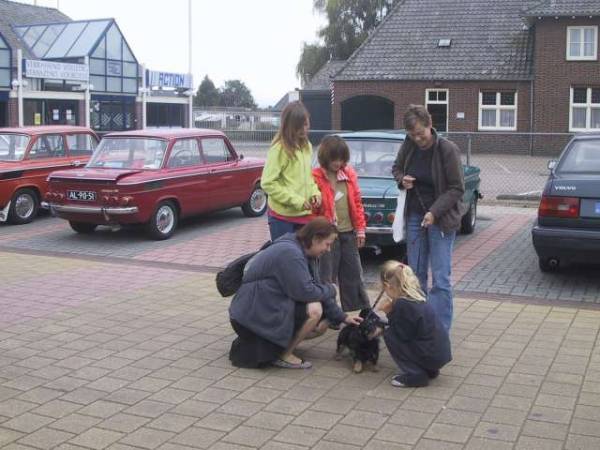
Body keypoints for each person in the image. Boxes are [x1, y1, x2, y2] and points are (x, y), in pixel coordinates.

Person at [228, 218, 362, 369]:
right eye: (327, 244)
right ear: (316, 239)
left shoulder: (302, 249)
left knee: (322, 319)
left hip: (259, 306)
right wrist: (331, 289)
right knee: (315, 311)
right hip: (250, 314)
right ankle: (284, 354)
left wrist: (343, 317)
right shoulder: (291, 253)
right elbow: (306, 292)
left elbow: (316, 290)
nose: (328, 249)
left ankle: (279, 344)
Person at [391, 105, 465, 332]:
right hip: (415, 216)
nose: (417, 139)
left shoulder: (447, 149)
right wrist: (402, 179)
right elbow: (396, 168)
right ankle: (419, 325)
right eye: (412, 135)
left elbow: (456, 188)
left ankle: (440, 331)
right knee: (416, 275)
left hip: (440, 218)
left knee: (441, 278)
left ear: (430, 125)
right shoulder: (409, 144)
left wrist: (434, 212)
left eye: (420, 134)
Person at [312, 135, 370, 312]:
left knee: (352, 273)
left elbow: (357, 203)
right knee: (326, 275)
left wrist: (360, 230)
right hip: (327, 235)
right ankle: (328, 311)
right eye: (333, 159)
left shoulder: (350, 174)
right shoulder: (315, 177)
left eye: (341, 158)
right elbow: (312, 211)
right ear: (325, 157)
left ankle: (356, 311)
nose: (338, 163)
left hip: (348, 232)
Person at [376, 260, 451, 387]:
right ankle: (429, 370)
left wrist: (388, 313)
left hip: (430, 355)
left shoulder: (402, 304)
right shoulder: (416, 296)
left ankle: (416, 375)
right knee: (397, 332)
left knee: (389, 334)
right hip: (439, 354)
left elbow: (402, 334)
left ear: (388, 286)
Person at [261, 101, 321, 241]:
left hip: (304, 215)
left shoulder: (307, 146)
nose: (306, 128)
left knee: (305, 259)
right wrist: (296, 200)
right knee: (286, 259)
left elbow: (308, 178)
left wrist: (315, 193)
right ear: (291, 126)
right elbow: (268, 183)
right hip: (282, 217)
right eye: (301, 125)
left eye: (306, 124)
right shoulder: (279, 149)